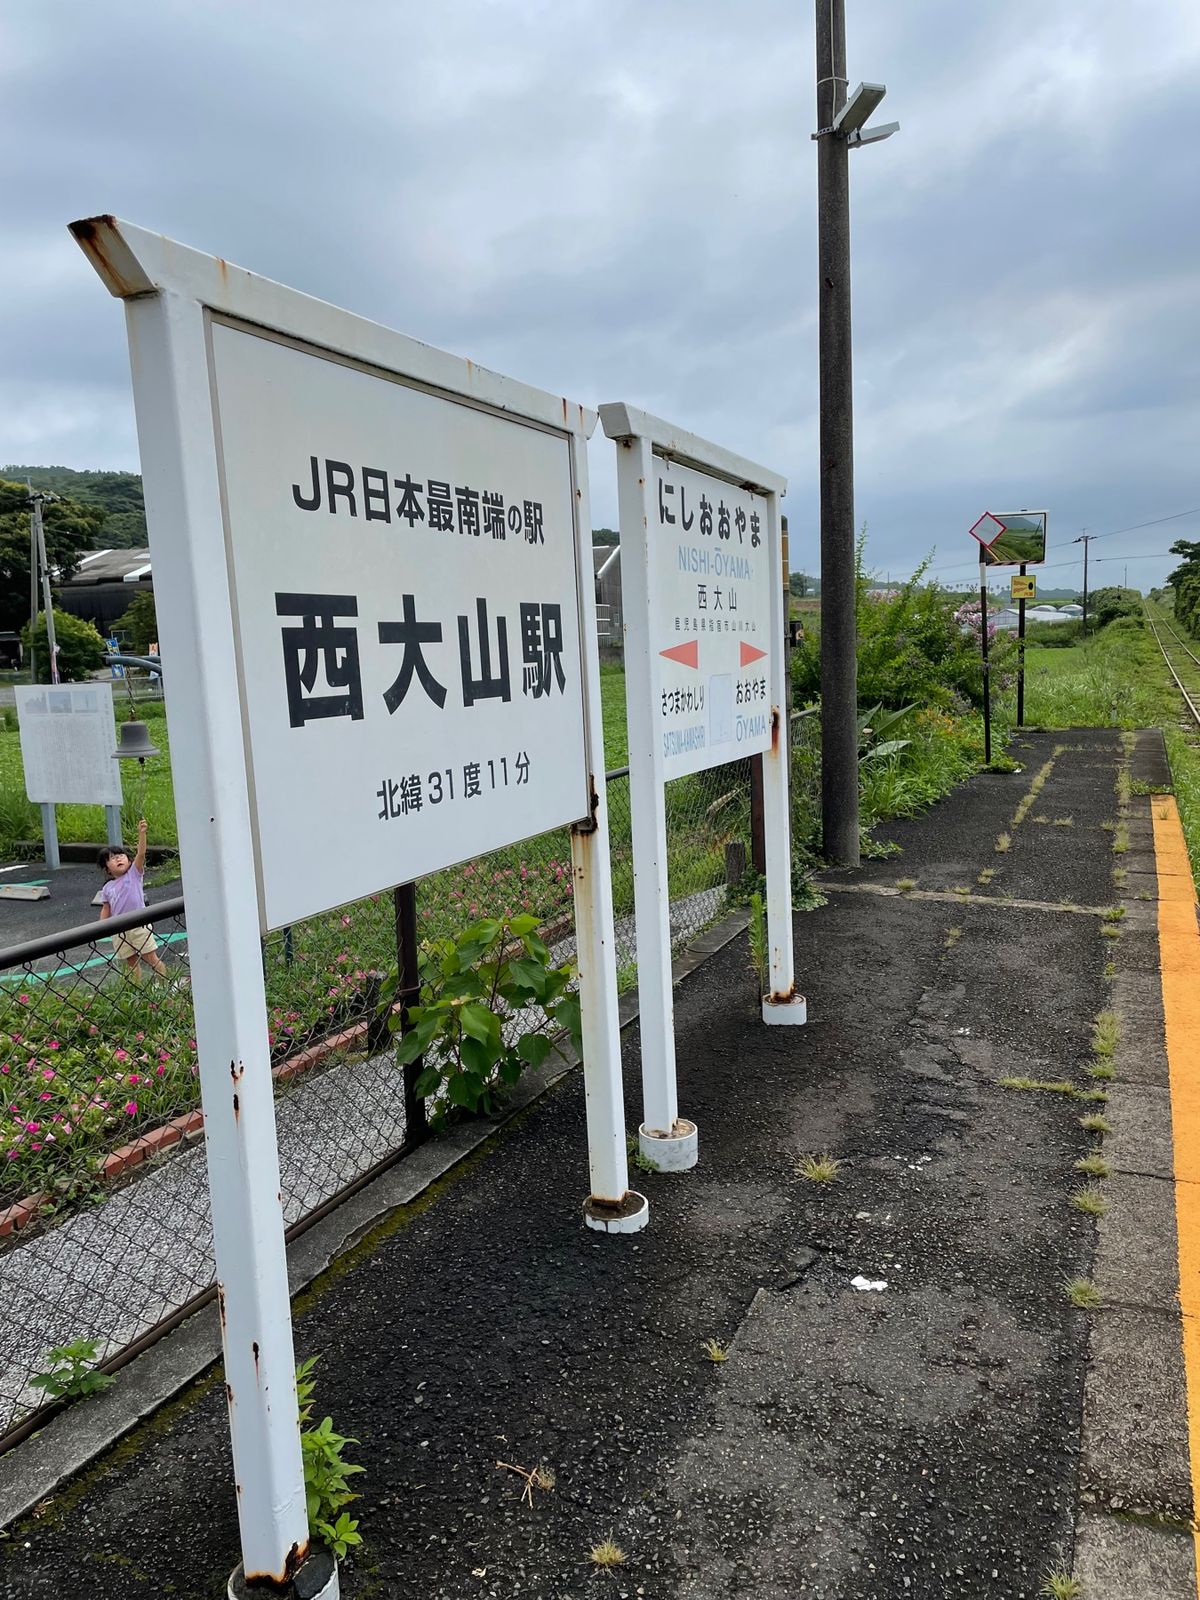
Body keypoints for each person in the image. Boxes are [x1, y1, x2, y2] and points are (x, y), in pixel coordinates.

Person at [97, 820, 168, 979]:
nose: (118, 859)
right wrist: (101, 927)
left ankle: (165, 987)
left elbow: (141, 854)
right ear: (107, 868)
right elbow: (106, 909)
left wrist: (142, 833)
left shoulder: (134, 874)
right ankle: (138, 990)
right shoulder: (107, 887)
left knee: (151, 958)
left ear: (129, 860)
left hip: (139, 923)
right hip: (119, 928)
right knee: (131, 963)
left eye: (121, 856)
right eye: (112, 858)